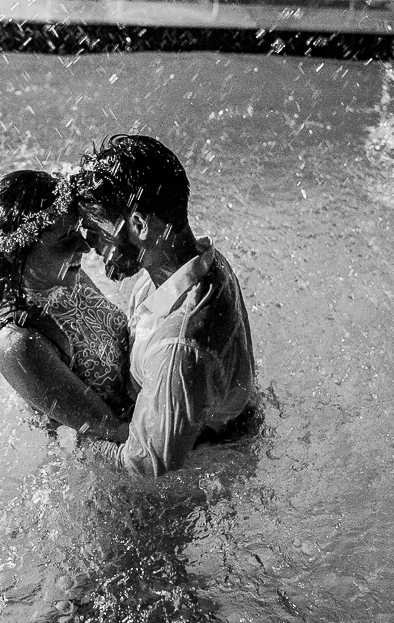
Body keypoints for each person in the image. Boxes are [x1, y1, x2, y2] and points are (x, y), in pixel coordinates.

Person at [71, 135, 257, 478]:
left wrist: (78, 435)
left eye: (96, 228)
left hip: (180, 490)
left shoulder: (180, 347)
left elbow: (146, 466)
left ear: (140, 225)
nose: (89, 242)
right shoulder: (202, 262)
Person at [0, 169, 132, 442]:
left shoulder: (65, 276)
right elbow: (111, 430)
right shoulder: (20, 343)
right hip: (112, 455)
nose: (84, 247)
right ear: (19, 252)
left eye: (77, 230)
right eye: (66, 239)